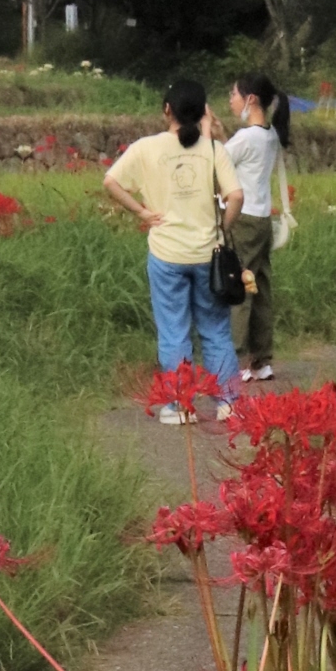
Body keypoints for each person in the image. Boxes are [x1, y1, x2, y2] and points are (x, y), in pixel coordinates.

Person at [103, 77, 243, 423]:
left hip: (166, 254)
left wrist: (141, 213)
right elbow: (236, 196)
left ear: (167, 110)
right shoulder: (214, 150)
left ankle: (180, 405)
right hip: (208, 255)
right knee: (215, 330)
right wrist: (222, 228)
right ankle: (229, 403)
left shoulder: (146, 148)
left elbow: (111, 181)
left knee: (174, 332)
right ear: (202, 112)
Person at [223, 70, 294, 381]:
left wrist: (210, 133)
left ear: (250, 99)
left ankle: (238, 360)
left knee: (240, 286)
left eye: (234, 94)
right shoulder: (269, 135)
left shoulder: (245, 138)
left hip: (244, 220)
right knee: (261, 288)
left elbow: (218, 163)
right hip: (263, 219)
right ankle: (262, 360)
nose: (230, 100)